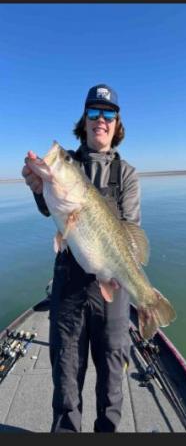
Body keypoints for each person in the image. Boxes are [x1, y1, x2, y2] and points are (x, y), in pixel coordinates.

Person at [21, 84, 140, 432]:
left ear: (116, 124)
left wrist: (125, 275)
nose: (100, 119)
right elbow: (51, 208)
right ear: (84, 120)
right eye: (93, 112)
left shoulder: (127, 174)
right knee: (67, 380)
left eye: (108, 114)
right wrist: (39, 188)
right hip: (70, 288)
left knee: (112, 383)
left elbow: (130, 231)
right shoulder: (68, 165)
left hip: (112, 288)